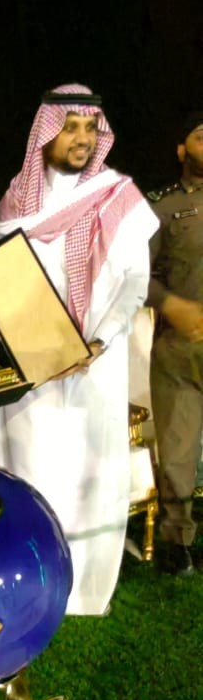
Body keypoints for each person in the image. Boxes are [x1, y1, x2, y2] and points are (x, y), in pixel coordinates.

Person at [0, 83, 159, 615]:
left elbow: (135, 282)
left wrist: (99, 340)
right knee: (27, 466)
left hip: (92, 367)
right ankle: (26, 577)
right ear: (46, 133)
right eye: (70, 127)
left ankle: (81, 588)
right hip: (30, 368)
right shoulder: (16, 201)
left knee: (88, 474)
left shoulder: (117, 196)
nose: (82, 138)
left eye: (90, 128)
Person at [146, 110, 203, 576]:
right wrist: (172, 305)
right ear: (182, 149)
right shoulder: (161, 207)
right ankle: (176, 540)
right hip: (180, 346)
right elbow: (135, 274)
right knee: (178, 448)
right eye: (201, 136)